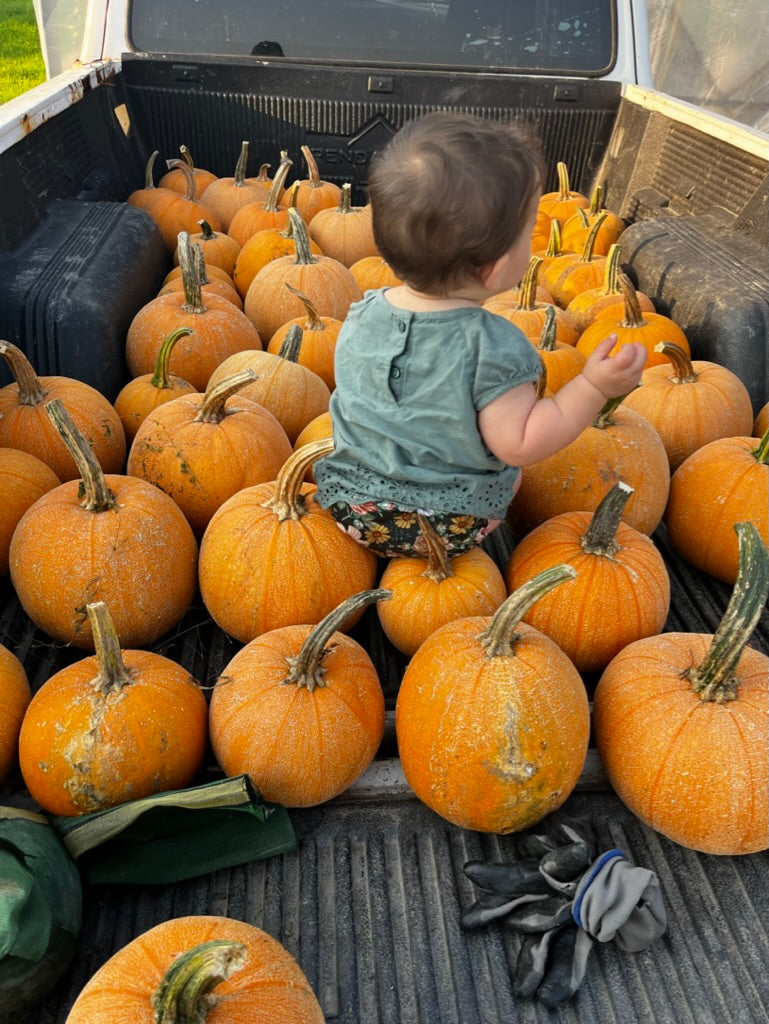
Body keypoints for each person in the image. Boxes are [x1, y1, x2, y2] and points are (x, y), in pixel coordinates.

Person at [313, 112, 647, 557]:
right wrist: (591, 387)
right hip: (452, 523)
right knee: (510, 468)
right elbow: (521, 443)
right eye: (529, 232)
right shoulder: (494, 347)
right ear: (494, 269)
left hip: (354, 509)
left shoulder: (361, 311)